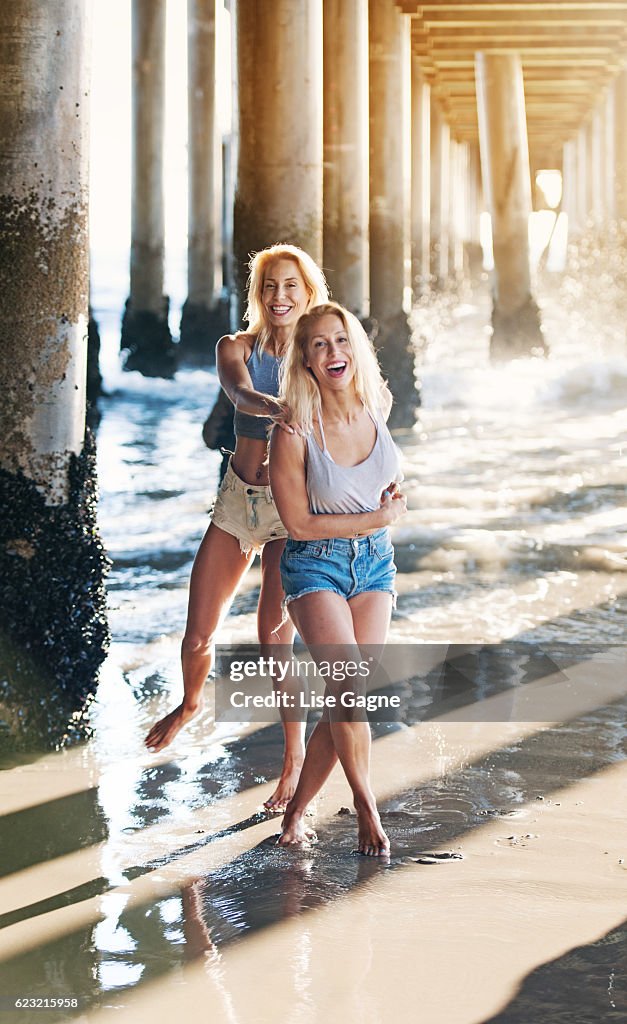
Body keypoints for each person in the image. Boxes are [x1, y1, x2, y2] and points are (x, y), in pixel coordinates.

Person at [145, 244, 329, 811]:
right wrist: (277, 406)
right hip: (236, 501)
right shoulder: (236, 347)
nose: (280, 296)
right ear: (258, 292)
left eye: (291, 286)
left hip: (290, 507)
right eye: (270, 286)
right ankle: (190, 702)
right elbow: (238, 392)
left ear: (308, 292)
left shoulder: (321, 353)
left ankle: (293, 759)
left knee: (274, 634)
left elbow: (358, 413)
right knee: (197, 631)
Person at [269, 302, 407, 856]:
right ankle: (365, 805)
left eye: (341, 341)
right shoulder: (293, 429)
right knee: (349, 692)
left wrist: (391, 503)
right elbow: (298, 523)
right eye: (319, 345)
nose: (333, 353)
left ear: (356, 348)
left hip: (374, 562)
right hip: (315, 564)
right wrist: (378, 515)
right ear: (304, 359)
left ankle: (296, 814)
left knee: (345, 696)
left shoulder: (378, 406)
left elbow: (386, 481)